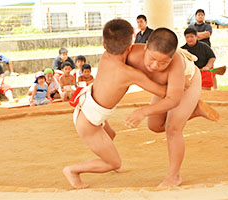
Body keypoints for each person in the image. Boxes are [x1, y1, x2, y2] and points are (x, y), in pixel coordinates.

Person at [63, 19, 167, 189]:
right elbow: (161, 92)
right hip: (88, 122)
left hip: (89, 106)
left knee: (111, 135)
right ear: (130, 46)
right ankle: (73, 170)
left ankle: (107, 156)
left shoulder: (105, 56)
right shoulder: (128, 73)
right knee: (114, 162)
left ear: (104, 45)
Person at [125, 27, 220, 187]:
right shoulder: (132, 54)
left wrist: (143, 111)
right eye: (152, 59)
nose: (155, 65)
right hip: (165, 84)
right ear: (146, 46)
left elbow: (172, 100)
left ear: (172, 57)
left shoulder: (177, 63)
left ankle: (174, 176)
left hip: (187, 82)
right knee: (154, 125)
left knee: (173, 129)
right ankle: (195, 110)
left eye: (163, 62)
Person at [189, 9, 218, 89]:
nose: (200, 16)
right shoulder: (191, 26)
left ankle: (215, 88)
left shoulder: (207, 26)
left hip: (206, 52)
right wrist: (200, 35)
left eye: (202, 15)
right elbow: (190, 37)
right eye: (199, 15)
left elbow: (208, 34)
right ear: (195, 17)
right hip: (194, 52)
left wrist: (196, 35)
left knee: (211, 71)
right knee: (194, 72)